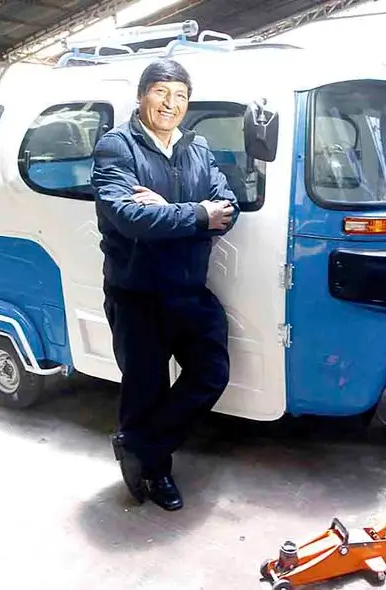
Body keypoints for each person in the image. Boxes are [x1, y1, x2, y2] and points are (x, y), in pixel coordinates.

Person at [90, 58, 241, 511]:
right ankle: (153, 474)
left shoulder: (198, 148)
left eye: (180, 96)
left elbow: (227, 208)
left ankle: (142, 448)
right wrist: (197, 213)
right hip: (137, 294)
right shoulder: (117, 148)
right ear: (141, 96)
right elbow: (131, 218)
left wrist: (172, 210)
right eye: (161, 92)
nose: (170, 103)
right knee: (145, 387)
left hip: (189, 288)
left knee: (211, 374)